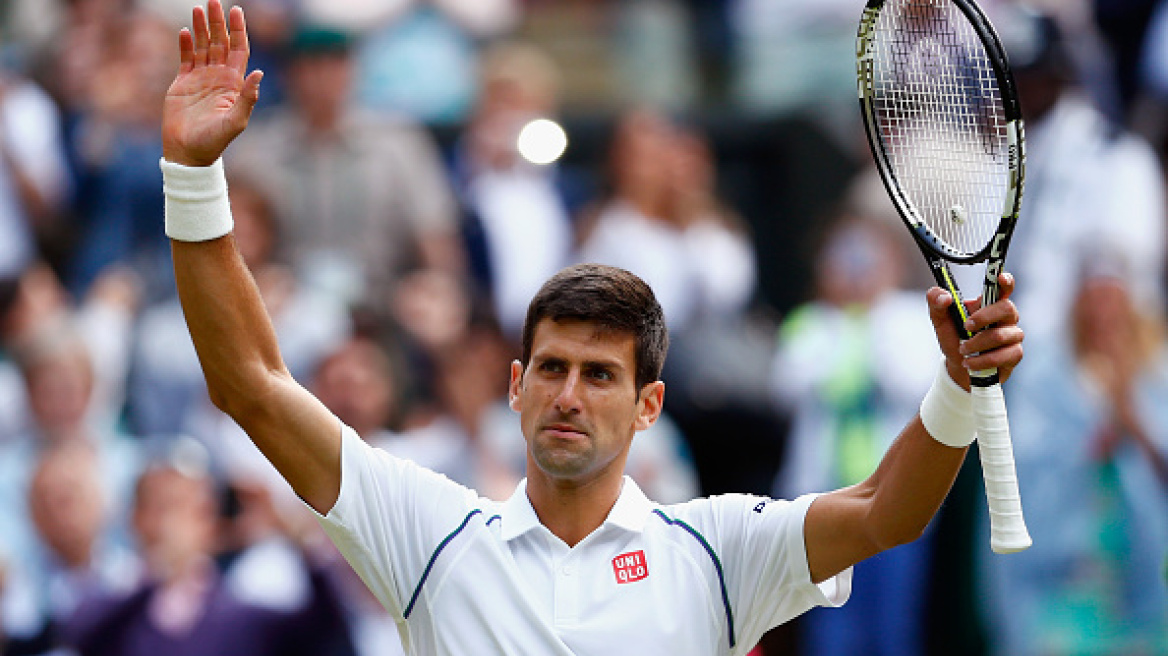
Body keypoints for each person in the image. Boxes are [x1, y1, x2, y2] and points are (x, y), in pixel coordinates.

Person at [158, 3, 1025, 654]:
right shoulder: (432, 535)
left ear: (650, 406)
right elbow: (251, 385)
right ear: (515, 385)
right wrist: (194, 176)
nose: (568, 394)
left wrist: (955, 385)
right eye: (552, 368)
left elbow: (886, 511)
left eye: (600, 375)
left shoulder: (717, 551)